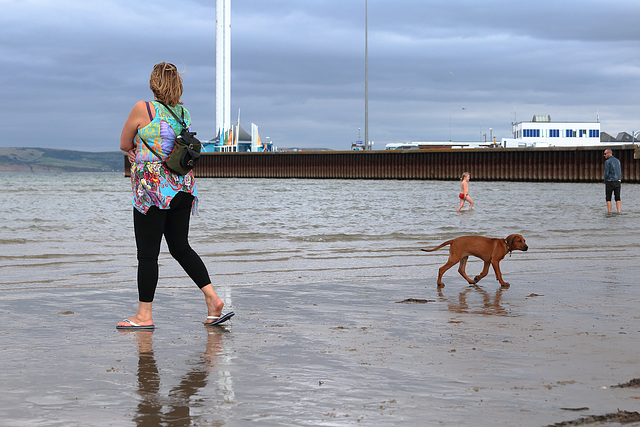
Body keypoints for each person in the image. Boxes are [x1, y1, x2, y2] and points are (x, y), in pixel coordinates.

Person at [117, 62, 233, 330]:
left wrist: (133, 149)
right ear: (178, 84)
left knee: (147, 255)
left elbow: (124, 144)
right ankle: (213, 299)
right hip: (183, 189)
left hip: (153, 192)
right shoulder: (183, 113)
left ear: (152, 83)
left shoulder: (142, 108)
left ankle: (144, 316)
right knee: (180, 247)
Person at [603, 148, 622, 213]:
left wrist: (605, 181)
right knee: (618, 198)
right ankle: (619, 211)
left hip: (610, 181)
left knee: (608, 198)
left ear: (609, 153)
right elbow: (619, 171)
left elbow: (606, 172)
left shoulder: (607, 162)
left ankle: (609, 212)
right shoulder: (617, 160)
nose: (604, 155)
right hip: (617, 181)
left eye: (605, 154)